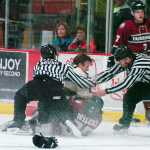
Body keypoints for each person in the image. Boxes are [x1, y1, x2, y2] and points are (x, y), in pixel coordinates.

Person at [1, 44, 95, 137]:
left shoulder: (38, 65)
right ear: (54, 54)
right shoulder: (62, 66)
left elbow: (36, 78)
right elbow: (79, 81)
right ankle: (66, 120)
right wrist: (93, 83)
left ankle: (18, 121)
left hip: (38, 85)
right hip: (56, 88)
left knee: (20, 95)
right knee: (58, 107)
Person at [92, 45, 150, 131]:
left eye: (120, 61)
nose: (119, 63)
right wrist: (91, 81)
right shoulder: (128, 60)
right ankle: (124, 124)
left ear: (127, 59)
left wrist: (106, 91)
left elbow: (126, 83)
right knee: (130, 96)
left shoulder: (139, 64)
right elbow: (110, 73)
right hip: (146, 83)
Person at [111, 0, 150, 121]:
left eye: (142, 11)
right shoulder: (125, 26)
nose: (140, 14)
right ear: (132, 13)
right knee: (132, 88)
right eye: (137, 12)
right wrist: (113, 59)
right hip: (133, 62)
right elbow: (116, 46)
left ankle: (148, 111)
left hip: (147, 62)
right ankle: (128, 116)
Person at [64, 53, 103, 136]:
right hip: (70, 102)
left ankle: (79, 125)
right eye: (87, 66)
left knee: (96, 102)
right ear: (80, 65)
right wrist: (93, 95)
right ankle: (79, 125)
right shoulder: (78, 73)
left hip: (71, 100)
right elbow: (80, 92)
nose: (88, 69)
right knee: (97, 102)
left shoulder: (75, 71)